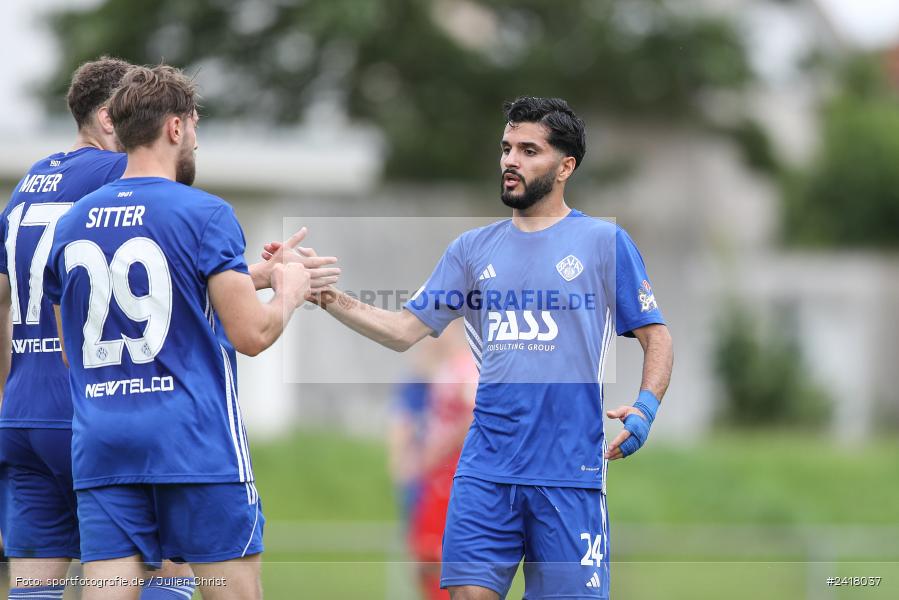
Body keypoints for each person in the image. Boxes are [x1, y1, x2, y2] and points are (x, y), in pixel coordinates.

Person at [265, 96, 673, 599]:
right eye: (506, 149)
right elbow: (401, 330)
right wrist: (324, 295)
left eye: (529, 150)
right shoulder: (471, 251)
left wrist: (646, 408)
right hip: (485, 472)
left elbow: (657, 336)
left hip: (569, 474)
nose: (510, 161)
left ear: (565, 166)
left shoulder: (604, 243)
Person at [43, 63, 338, 600]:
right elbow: (251, 335)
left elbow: (72, 351)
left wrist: (254, 275)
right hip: (194, 444)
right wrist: (289, 289)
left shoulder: (72, 222)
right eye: (195, 126)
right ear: (175, 128)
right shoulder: (205, 213)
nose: (196, 139)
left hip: (105, 446)